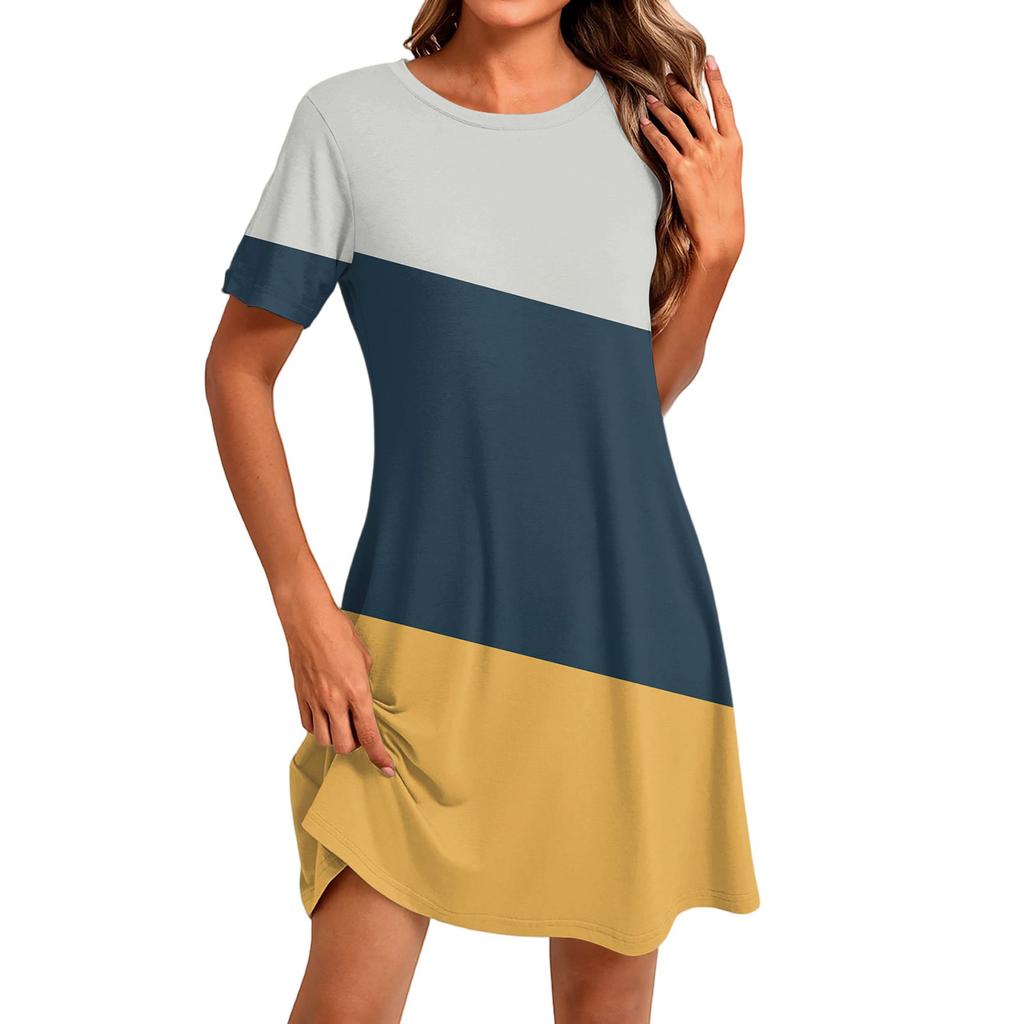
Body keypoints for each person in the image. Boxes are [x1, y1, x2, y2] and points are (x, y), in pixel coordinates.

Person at [205, 1, 758, 1021]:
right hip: (414, 644)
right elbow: (239, 369)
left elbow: (624, 410)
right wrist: (303, 608)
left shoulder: (646, 129)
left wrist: (715, 260)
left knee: (603, 1003)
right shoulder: (347, 124)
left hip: (620, 637)